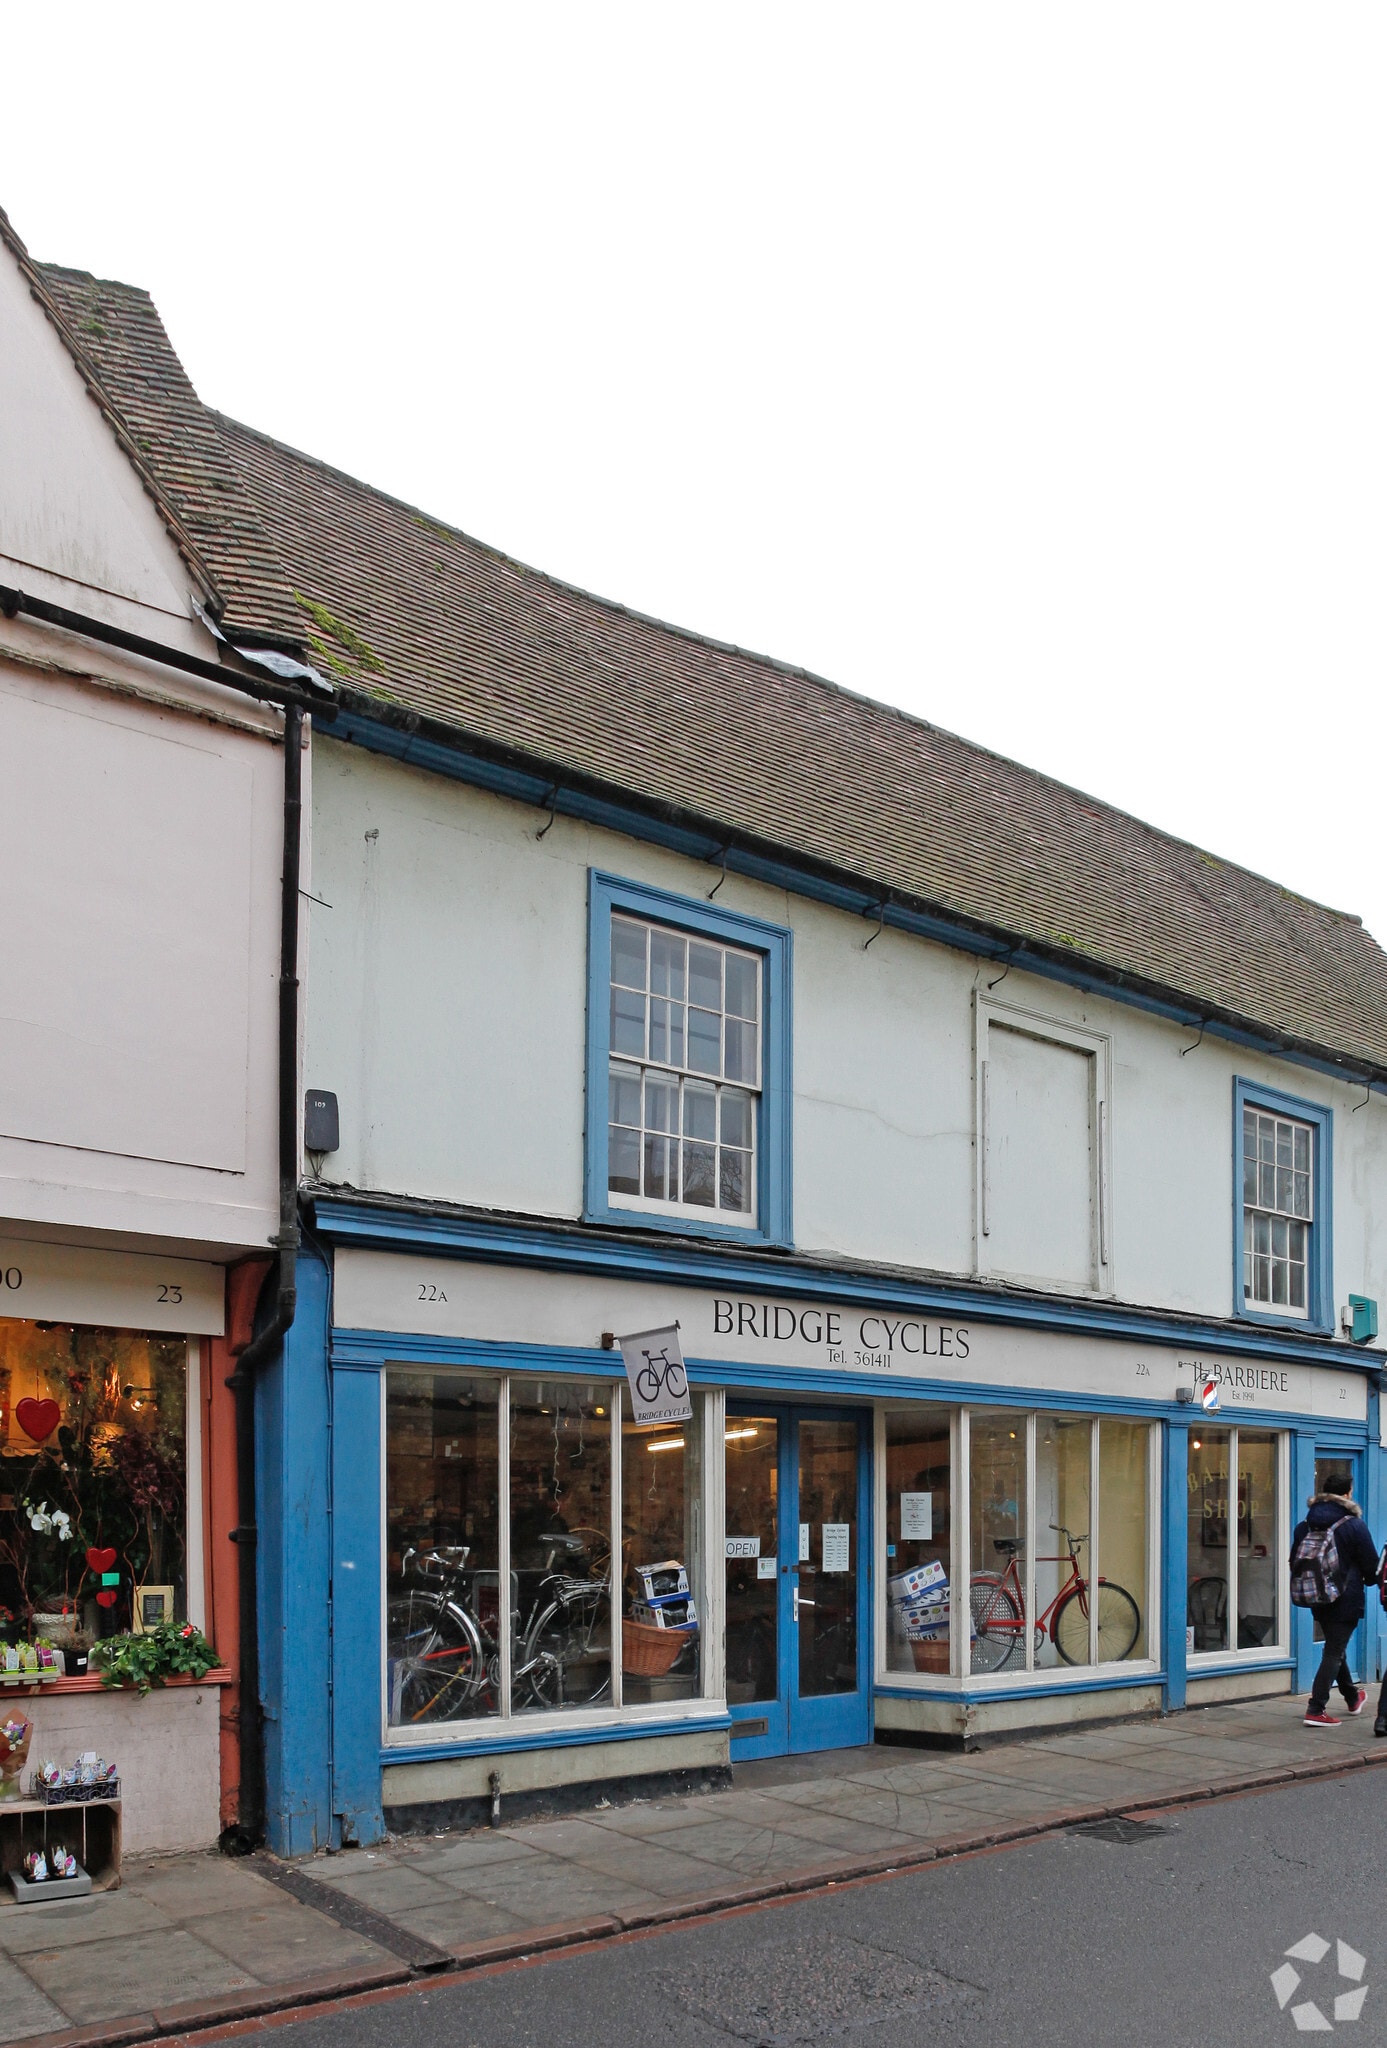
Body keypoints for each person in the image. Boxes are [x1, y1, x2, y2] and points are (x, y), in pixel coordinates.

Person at [1289, 1475, 1379, 1727]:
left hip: (1316, 1595)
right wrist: (1371, 1579)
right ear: (1347, 1495)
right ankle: (1316, 1709)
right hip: (1345, 1597)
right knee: (1334, 1651)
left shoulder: (1304, 1525)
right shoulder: (1354, 1525)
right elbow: (1371, 1568)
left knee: (1334, 1647)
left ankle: (1352, 1697)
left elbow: (1294, 1560)